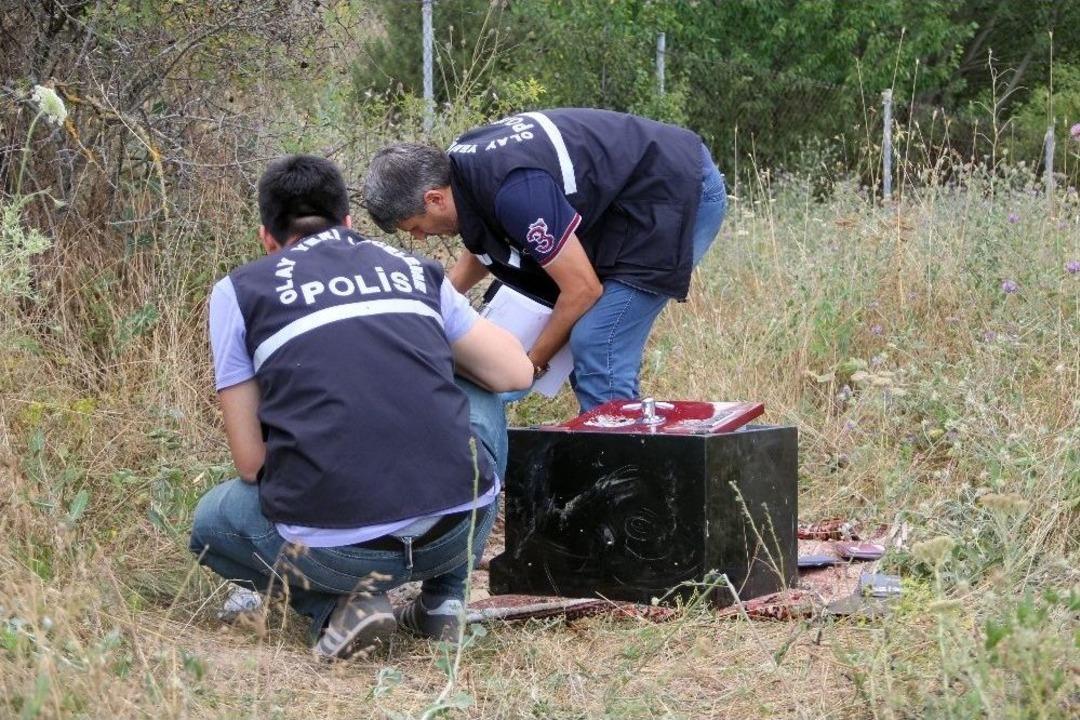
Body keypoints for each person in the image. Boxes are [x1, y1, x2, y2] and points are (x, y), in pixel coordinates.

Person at [189, 155, 532, 661]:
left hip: (335, 552)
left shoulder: (238, 292)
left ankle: (338, 607)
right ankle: (446, 600)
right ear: (348, 224)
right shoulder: (417, 271)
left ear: (267, 238)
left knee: (211, 525)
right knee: (482, 384)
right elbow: (516, 374)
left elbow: (250, 462)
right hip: (452, 534)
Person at [363, 108, 727, 412]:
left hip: (673, 193)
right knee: (580, 341)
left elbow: (582, 289)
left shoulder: (514, 191)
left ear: (434, 200)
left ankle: (622, 482)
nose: (421, 238)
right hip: (623, 205)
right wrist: (434, 303)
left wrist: (531, 364)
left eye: (415, 227)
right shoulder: (460, 168)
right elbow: (482, 242)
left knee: (598, 342)